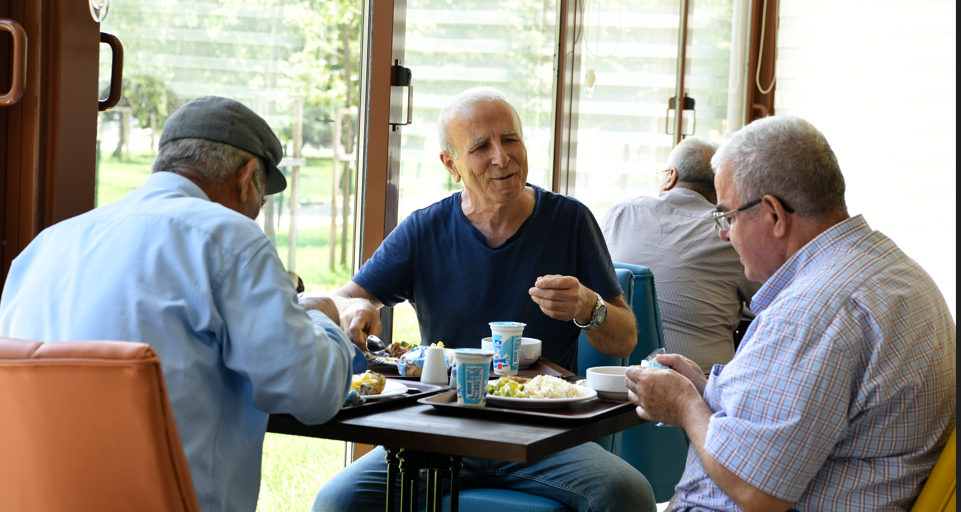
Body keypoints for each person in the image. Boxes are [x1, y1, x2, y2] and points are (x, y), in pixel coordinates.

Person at [0, 96, 366, 512]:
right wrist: (323, 319)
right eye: (259, 203)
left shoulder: (44, 246)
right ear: (248, 179)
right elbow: (313, 394)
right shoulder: (231, 239)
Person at [311, 87, 655, 512]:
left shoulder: (569, 220)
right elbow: (341, 298)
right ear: (450, 164)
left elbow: (623, 340)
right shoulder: (425, 230)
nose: (501, 156)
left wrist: (589, 306)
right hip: (440, 432)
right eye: (480, 147)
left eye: (510, 138)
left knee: (628, 494)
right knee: (337, 501)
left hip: (540, 434)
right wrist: (354, 306)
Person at [625, 116, 956, 511]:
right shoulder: (891, 268)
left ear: (774, 215)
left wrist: (684, 405)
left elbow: (755, 490)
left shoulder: (813, 310)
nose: (723, 235)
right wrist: (705, 389)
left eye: (727, 217)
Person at [603, 138, 760, 373]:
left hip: (610, 379)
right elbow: (773, 304)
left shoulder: (620, 213)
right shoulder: (729, 232)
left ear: (671, 176)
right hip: (697, 390)